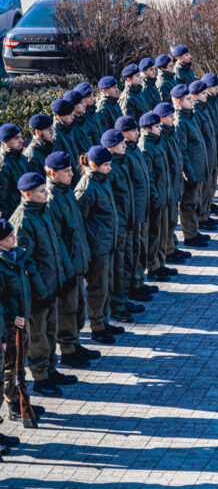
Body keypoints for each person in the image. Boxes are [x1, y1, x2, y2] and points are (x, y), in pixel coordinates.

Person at [10, 172, 72, 397]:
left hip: (51, 284)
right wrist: (41, 291)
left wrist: (63, 276)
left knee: (51, 330)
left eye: (46, 189)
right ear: (27, 194)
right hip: (37, 292)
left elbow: (54, 247)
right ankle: (40, 377)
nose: (47, 193)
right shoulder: (23, 220)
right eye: (41, 191)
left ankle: (51, 369)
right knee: (38, 335)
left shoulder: (43, 211)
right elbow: (26, 262)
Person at [45, 151, 99, 369]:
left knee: (77, 308)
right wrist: (67, 268)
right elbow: (57, 241)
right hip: (66, 267)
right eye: (66, 172)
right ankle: (67, 350)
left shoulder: (65, 192)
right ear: (52, 173)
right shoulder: (52, 198)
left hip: (77, 262)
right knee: (66, 311)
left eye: (70, 170)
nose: (71, 174)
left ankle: (75, 343)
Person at [74, 145, 123, 344]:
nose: (109, 168)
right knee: (97, 288)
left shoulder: (101, 180)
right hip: (96, 247)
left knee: (106, 285)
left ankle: (104, 320)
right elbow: (79, 222)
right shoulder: (87, 187)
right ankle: (96, 326)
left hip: (106, 244)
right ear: (93, 165)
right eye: (106, 165)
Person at [0, 218, 45, 429]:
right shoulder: (2, 265)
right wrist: (11, 317)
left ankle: (21, 397)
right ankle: (13, 404)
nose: (13, 237)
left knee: (21, 362)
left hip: (22, 321)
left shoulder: (16, 256)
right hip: (10, 326)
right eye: (9, 236)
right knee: (10, 367)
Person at [115, 116, 156, 308]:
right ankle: (132, 286)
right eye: (133, 131)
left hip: (141, 209)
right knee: (133, 250)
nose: (138, 133)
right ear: (123, 134)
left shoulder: (135, 150)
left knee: (140, 248)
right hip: (133, 213)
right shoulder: (126, 157)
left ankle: (138, 281)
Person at [99, 129, 135, 325]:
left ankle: (123, 300)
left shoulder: (119, 163)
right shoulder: (109, 171)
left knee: (125, 264)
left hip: (125, 222)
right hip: (116, 228)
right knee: (116, 269)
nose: (124, 145)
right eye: (121, 143)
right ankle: (117, 307)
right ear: (111, 147)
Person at [172, 84, 209, 248]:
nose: (191, 101)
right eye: (188, 99)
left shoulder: (190, 117)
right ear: (179, 103)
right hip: (191, 171)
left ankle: (194, 230)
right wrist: (189, 174)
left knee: (196, 200)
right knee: (189, 203)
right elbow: (184, 151)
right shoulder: (180, 122)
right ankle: (189, 234)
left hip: (198, 168)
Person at [153, 102, 190, 265]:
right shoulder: (160, 139)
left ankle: (171, 247)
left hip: (173, 183)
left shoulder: (171, 133)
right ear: (161, 119)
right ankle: (167, 251)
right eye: (170, 118)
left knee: (172, 220)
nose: (173, 120)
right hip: (165, 187)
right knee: (166, 223)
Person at [138, 113, 172, 284]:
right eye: (157, 127)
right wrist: (155, 198)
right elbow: (149, 177)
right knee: (154, 235)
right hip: (156, 198)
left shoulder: (157, 142)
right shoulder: (146, 147)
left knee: (162, 233)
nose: (160, 129)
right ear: (148, 129)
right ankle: (153, 267)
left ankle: (161, 262)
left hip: (163, 194)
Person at [188, 80, 217, 233]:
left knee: (208, 187)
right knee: (201, 191)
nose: (206, 95)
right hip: (201, 157)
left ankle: (205, 214)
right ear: (194, 96)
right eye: (203, 94)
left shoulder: (203, 109)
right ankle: (201, 218)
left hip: (209, 155)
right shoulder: (196, 113)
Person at [203, 73, 218, 218]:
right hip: (209, 148)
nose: (215, 90)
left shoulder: (215, 101)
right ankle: (206, 206)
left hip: (216, 144)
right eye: (212, 88)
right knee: (207, 181)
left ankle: (209, 203)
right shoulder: (206, 105)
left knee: (213, 178)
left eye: (216, 87)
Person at [0, 124, 30, 219]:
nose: (22, 141)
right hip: (15, 215)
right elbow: (2, 201)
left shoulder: (22, 157)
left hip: (28, 210)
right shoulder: (3, 166)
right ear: (5, 142)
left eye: (21, 137)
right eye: (16, 138)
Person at [51, 99, 82, 188]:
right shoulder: (56, 136)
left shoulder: (70, 128)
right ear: (60, 117)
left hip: (76, 173)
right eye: (69, 115)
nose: (73, 117)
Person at [74, 83, 102, 149]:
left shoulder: (94, 113)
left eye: (92, 95)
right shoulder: (81, 118)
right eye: (88, 97)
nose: (92, 98)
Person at [63, 90, 90, 158]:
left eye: (83, 102)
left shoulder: (83, 121)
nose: (85, 105)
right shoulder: (70, 126)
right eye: (81, 103)